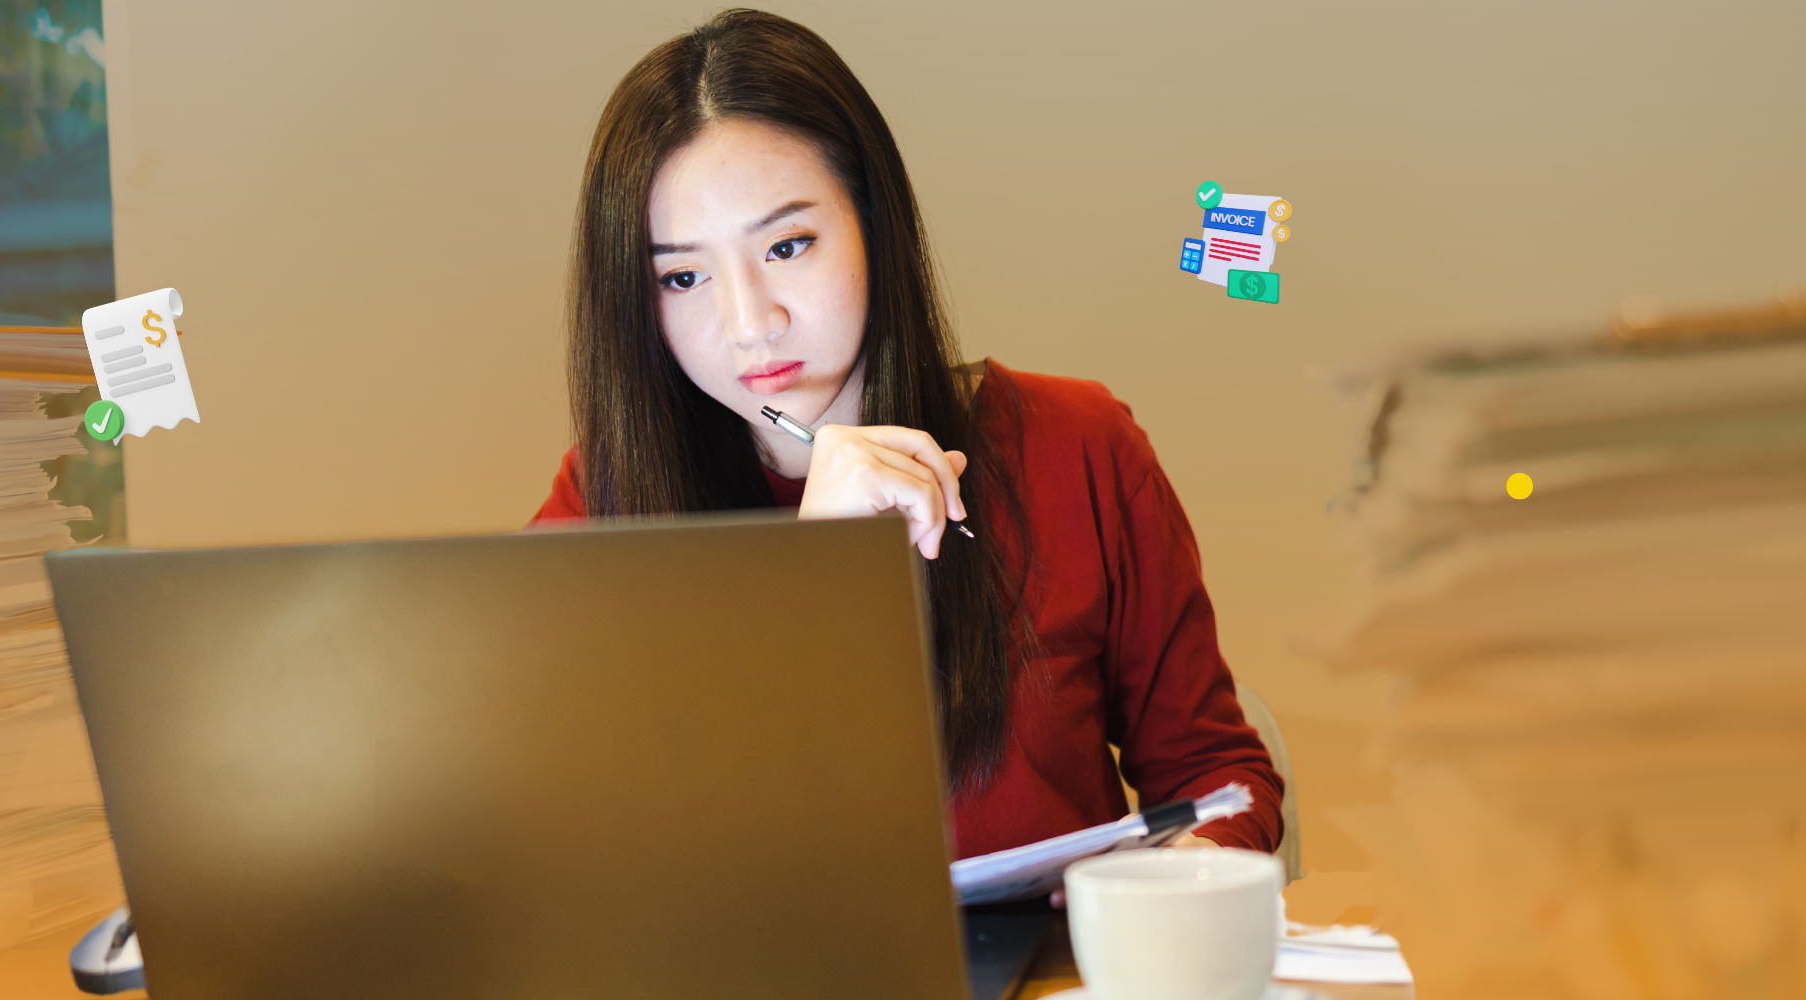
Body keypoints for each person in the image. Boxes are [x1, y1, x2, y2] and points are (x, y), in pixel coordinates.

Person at [531, 9, 1282, 862]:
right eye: (682, 276)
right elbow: (557, 837)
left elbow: (1216, 773)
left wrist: (1187, 881)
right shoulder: (602, 504)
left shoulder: (1077, 445)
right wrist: (810, 574)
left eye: (788, 246)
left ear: (874, 223)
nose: (750, 323)